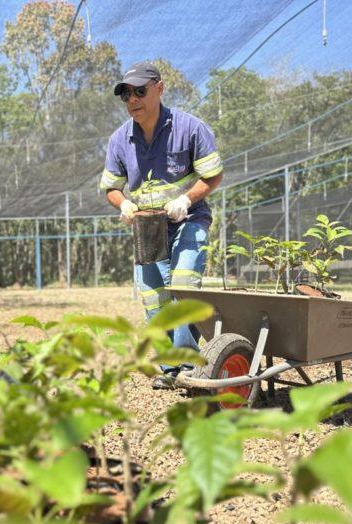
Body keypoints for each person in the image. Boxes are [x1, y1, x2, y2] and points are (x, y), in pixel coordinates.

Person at [99, 62, 224, 390]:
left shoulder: (190, 128)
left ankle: (188, 363)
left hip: (188, 219)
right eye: (126, 94)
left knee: (182, 285)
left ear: (159, 88)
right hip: (147, 228)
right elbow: (111, 187)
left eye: (140, 91)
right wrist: (123, 203)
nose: (133, 100)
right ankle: (168, 368)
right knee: (154, 298)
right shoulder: (119, 140)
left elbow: (213, 175)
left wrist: (185, 200)